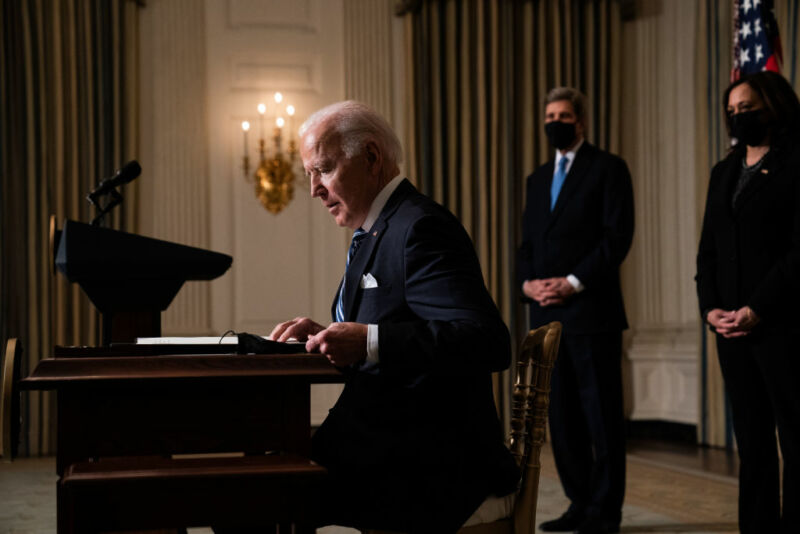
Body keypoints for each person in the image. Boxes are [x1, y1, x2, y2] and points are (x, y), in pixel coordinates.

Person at [270, 101, 520, 533]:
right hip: (382, 442)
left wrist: (367, 340)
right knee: (254, 488)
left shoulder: (419, 226)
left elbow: (485, 340)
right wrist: (329, 336)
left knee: (251, 500)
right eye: (309, 173)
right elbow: (390, 329)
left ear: (371, 157)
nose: (313, 189)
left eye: (323, 169)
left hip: (429, 461)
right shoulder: (374, 230)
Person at [517, 87, 634, 534]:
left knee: (601, 418)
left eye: (563, 115)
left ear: (580, 122)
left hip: (592, 313)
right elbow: (527, 244)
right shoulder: (537, 178)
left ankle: (605, 512)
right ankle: (578, 502)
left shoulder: (608, 169)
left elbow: (615, 239)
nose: (555, 122)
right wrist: (527, 284)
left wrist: (572, 283)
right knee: (561, 418)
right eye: (549, 115)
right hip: (545, 315)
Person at [696, 71, 800, 534]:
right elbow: (708, 251)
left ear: (774, 107)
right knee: (753, 442)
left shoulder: (796, 163)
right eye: (733, 111)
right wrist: (710, 309)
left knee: (795, 440)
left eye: (748, 108)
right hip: (731, 329)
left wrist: (757, 307)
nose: (739, 117)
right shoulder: (723, 171)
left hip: (783, 325)